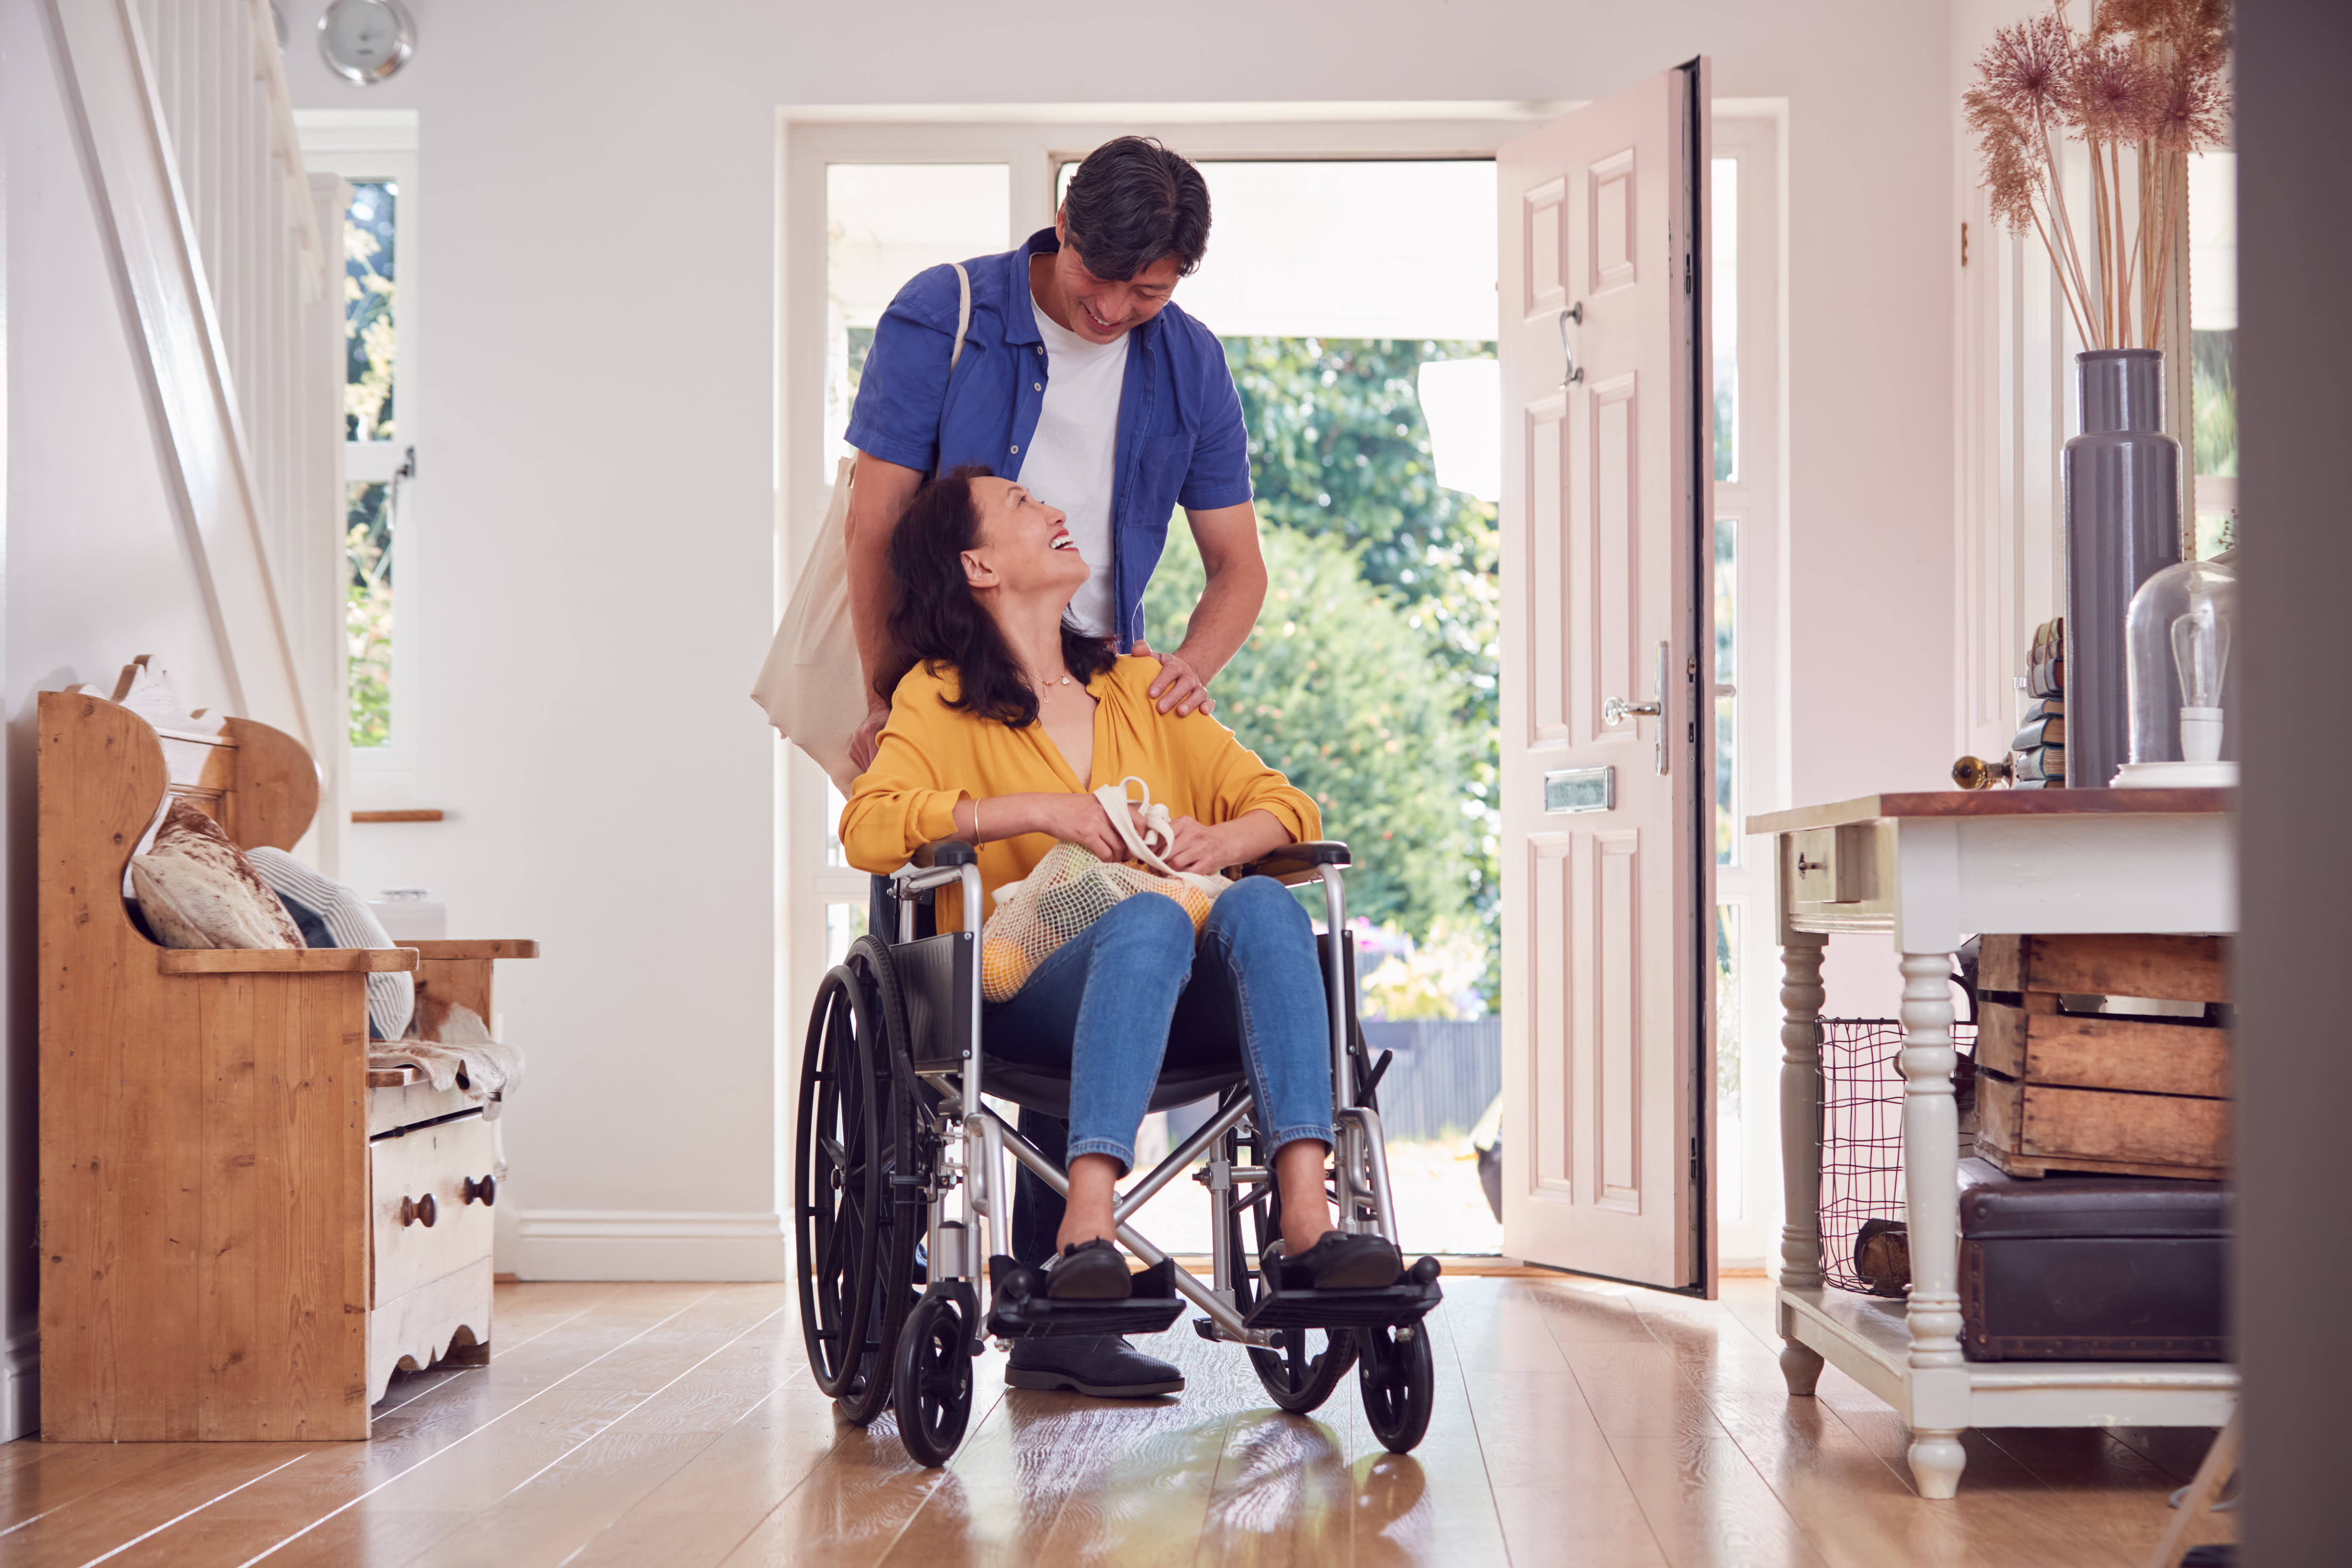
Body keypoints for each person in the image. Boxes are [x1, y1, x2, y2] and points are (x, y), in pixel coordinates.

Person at [839, 136, 1270, 1396]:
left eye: (1151, 291)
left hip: (1097, 669)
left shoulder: (1187, 359)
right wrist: (890, 693)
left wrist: (1186, 666)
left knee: (1102, 930)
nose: (1117, 308)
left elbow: (1237, 566)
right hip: (953, 666)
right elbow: (880, 523)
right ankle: (968, 1294)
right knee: (978, 936)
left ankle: (1065, 1309)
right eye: (1104, 278)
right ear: (1062, 221)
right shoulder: (953, 313)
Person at [840, 469, 1401, 1397]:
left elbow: (1286, 803)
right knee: (1146, 914)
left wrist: (1223, 839)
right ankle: (1085, 1232)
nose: (1056, 511)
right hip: (1026, 993)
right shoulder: (934, 701)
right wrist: (1037, 812)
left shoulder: (1141, 687)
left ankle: (1310, 1224)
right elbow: (870, 824)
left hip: (1182, 995)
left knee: (1265, 904)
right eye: (1024, 506)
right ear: (977, 564)